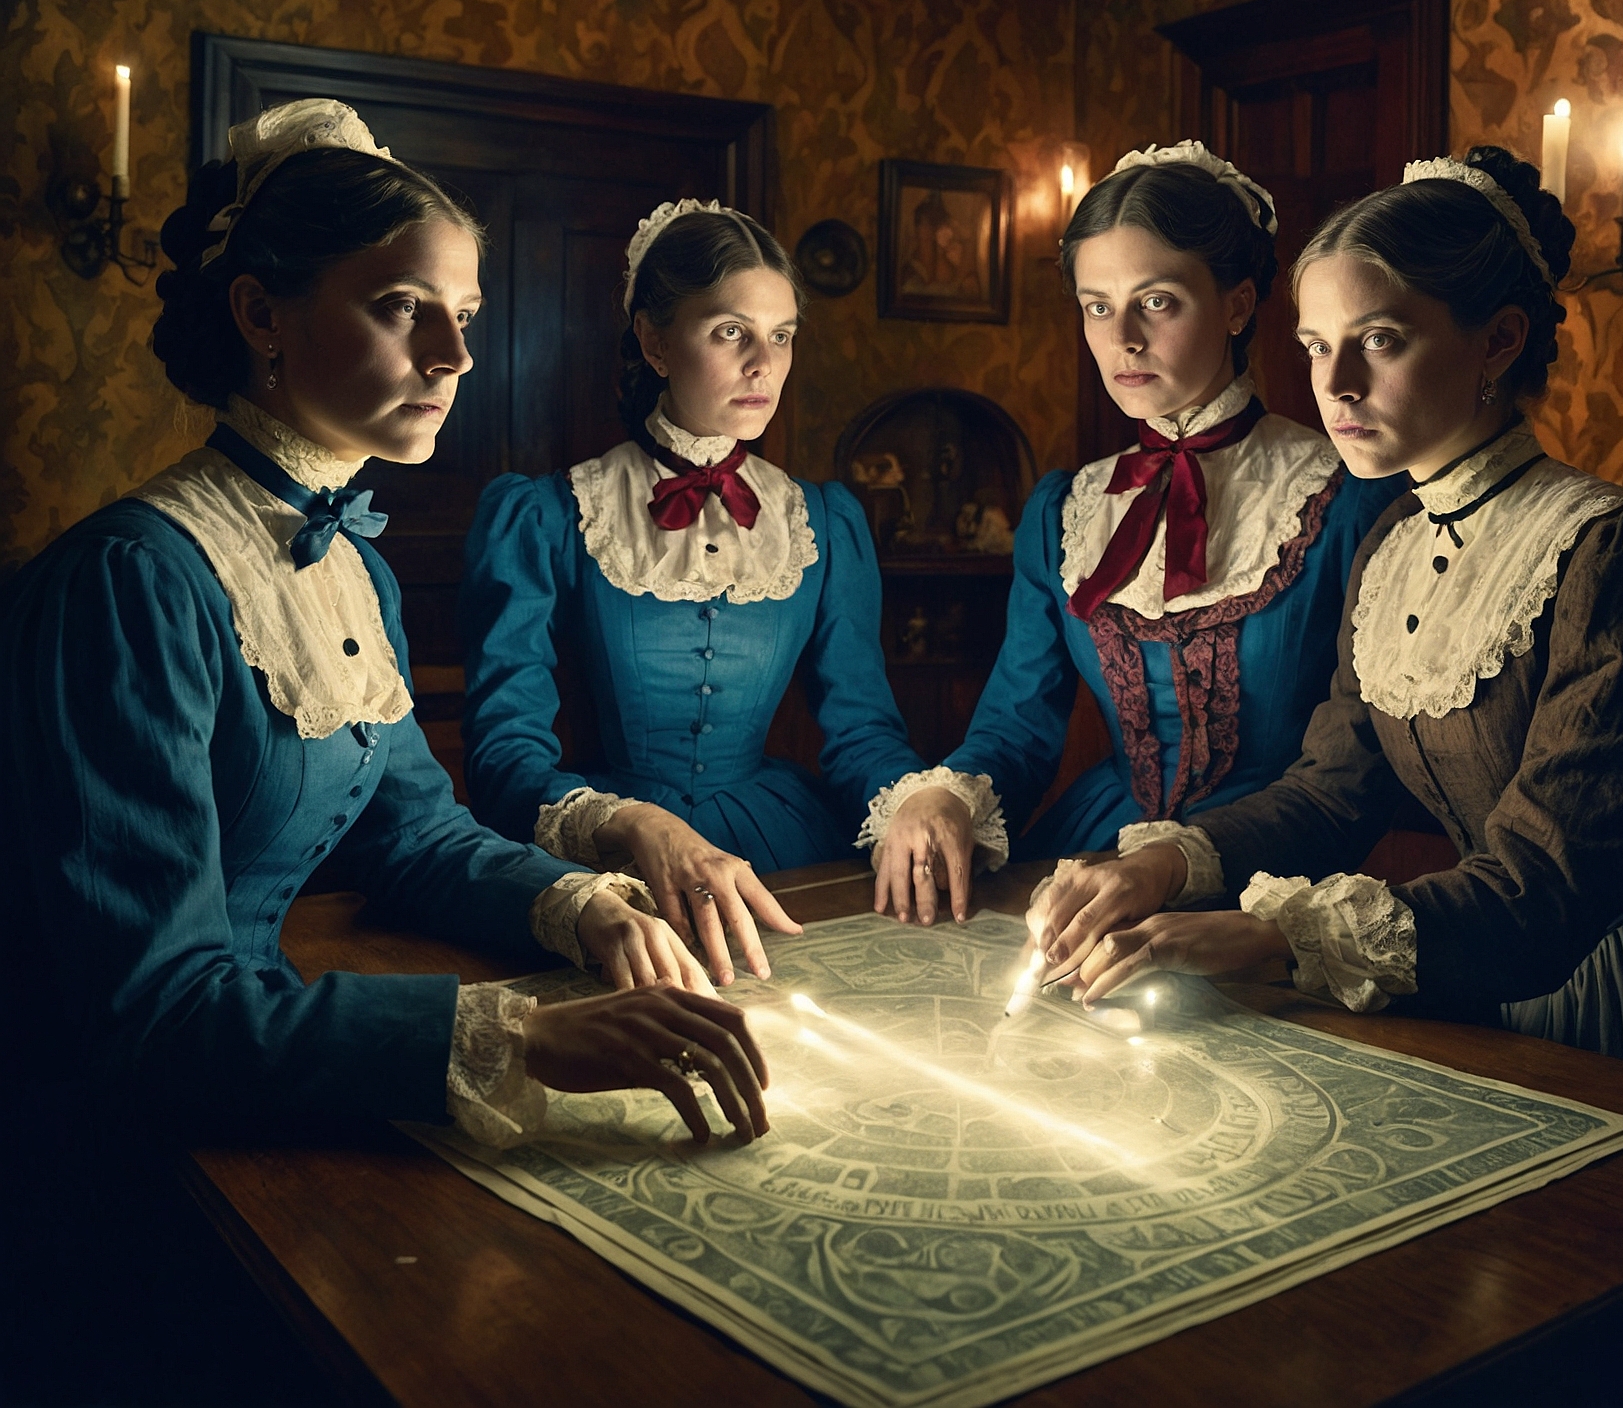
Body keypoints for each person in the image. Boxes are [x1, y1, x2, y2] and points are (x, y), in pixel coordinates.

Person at [0, 100, 769, 1159]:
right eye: (404, 308)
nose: (453, 353)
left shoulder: (352, 564)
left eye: (466, 311)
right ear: (262, 314)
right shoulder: (131, 584)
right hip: (125, 1134)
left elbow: (413, 834)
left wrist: (582, 906)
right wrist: (523, 1037)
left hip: (276, 1067)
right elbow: (156, 1012)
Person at [1026, 145, 1623, 1099]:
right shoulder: (1391, 541)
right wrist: (1166, 866)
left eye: (1380, 340)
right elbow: (1331, 793)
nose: (1336, 383)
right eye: (1314, 345)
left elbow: (1548, 884)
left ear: (1500, 340)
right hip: (1469, 979)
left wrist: (1272, 934)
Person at [863, 142, 1407, 924]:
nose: (1122, 338)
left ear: (1238, 304)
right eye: (1096, 305)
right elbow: (1017, 724)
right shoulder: (1064, 512)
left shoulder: (1348, 497)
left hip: (1287, 874)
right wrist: (945, 797)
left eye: (1156, 301)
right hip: (1090, 851)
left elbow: (1360, 767)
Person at [459, 200, 936, 984]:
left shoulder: (821, 521)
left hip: (779, 844)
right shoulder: (548, 514)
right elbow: (504, 753)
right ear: (654, 341)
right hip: (616, 857)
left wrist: (916, 803)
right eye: (730, 332)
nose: (764, 364)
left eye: (781, 336)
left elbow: (860, 732)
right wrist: (624, 826)